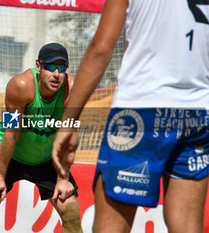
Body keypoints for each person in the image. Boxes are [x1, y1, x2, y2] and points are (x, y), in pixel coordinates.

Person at [52, 0, 209, 232]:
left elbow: (100, 50)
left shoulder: (20, 85)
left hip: (141, 108)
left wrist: (69, 120)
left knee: (110, 228)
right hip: (198, 111)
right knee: (187, 226)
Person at [0, 43, 83, 233]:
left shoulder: (72, 90)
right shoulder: (20, 86)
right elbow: (11, 133)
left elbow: (70, 136)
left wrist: (63, 178)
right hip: (8, 153)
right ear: (38, 67)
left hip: (47, 157)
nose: (56, 74)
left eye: (62, 68)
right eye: (50, 67)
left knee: (71, 214)